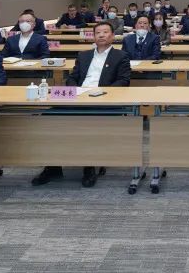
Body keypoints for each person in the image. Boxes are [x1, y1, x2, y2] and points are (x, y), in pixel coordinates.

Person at [33, 22, 131, 187]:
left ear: (113, 36)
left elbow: (123, 81)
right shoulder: (84, 55)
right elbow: (72, 77)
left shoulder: (121, 56)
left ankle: (89, 166)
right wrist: (76, 90)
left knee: (87, 121)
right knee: (49, 116)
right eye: (98, 32)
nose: (101, 35)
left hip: (103, 100)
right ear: (93, 36)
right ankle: (53, 166)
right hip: (78, 98)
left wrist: (101, 92)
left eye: (105, 32)